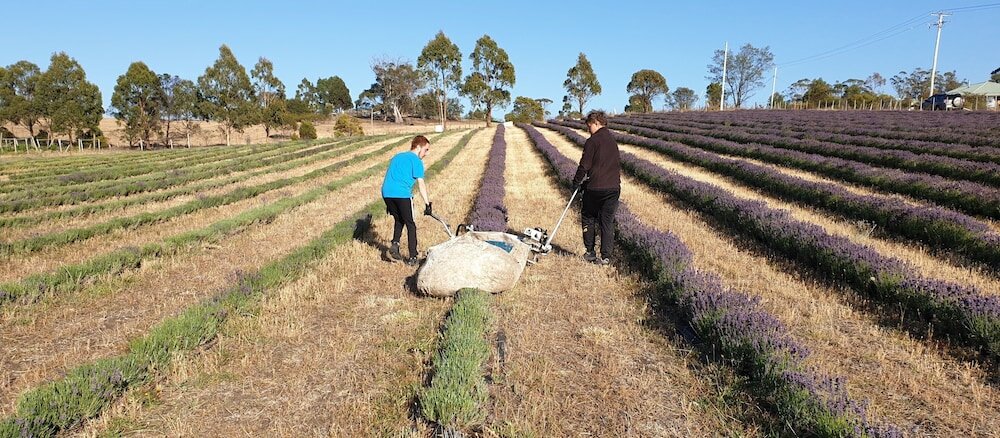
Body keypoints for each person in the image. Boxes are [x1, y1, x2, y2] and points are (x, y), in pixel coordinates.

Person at [572, 111, 621, 266]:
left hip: (596, 188)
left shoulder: (593, 141)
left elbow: (585, 165)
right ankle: (606, 257)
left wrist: (576, 182)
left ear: (597, 123)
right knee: (607, 221)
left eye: (589, 126)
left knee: (588, 217)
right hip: (613, 187)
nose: (588, 129)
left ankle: (590, 252)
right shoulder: (613, 140)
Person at [381, 135, 433, 266]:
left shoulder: (397, 156)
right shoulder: (416, 161)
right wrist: (427, 203)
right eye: (426, 150)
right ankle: (413, 257)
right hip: (402, 194)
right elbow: (421, 184)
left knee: (399, 219)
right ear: (419, 147)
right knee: (410, 224)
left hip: (387, 193)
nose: (426, 153)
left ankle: (395, 244)